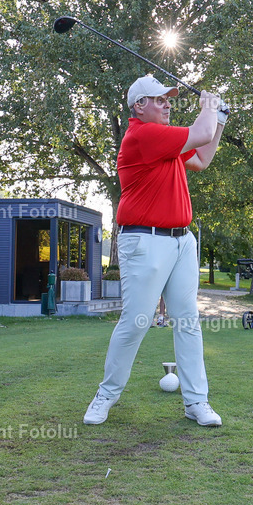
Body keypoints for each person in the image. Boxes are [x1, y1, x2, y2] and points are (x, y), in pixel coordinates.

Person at [84, 74, 227, 427]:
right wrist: (209, 108)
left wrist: (219, 117)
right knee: (137, 321)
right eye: (159, 99)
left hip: (182, 241)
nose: (167, 104)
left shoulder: (167, 143)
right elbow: (201, 133)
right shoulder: (143, 135)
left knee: (188, 321)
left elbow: (203, 157)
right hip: (144, 240)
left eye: (169, 99)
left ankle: (197, 402)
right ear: (139, 106)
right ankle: (106, 395)